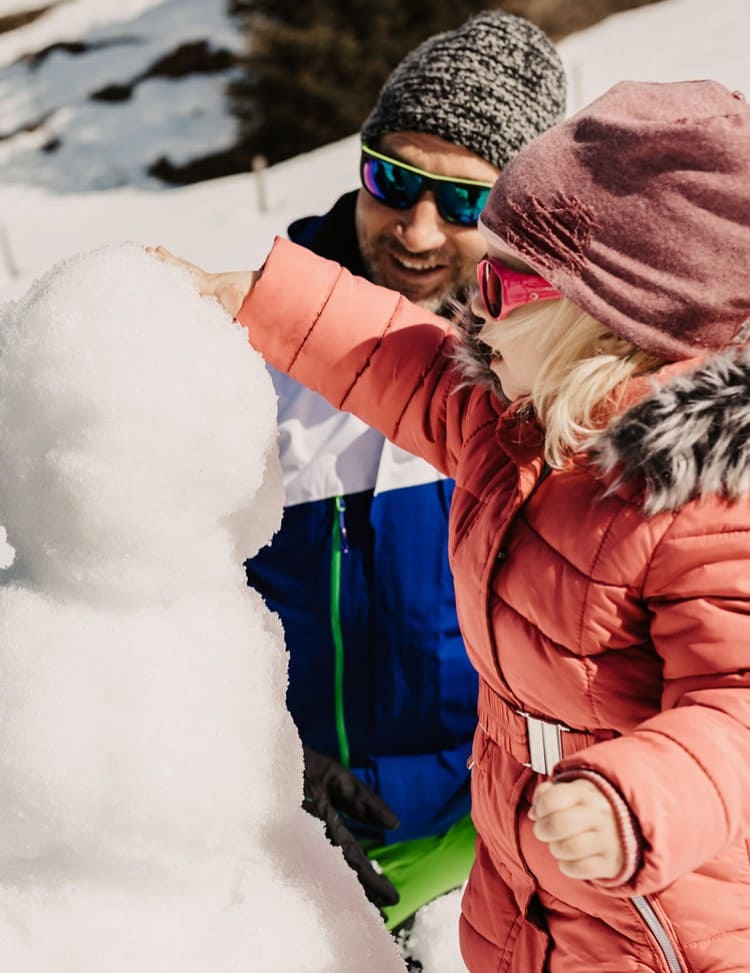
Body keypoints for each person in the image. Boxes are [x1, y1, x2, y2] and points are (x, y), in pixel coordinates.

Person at [156, 78, 750, 970]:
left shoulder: (701, 502)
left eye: (507, 278)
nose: (475, 301)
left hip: (662, 921)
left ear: (608, 318)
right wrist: (249, 292)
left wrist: (639, 799)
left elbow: (738, 707)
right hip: (524, 904)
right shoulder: (515, 423)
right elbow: (397, 361)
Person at [241, 9, 567, 928]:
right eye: (392, 179)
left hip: (494, 853)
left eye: (464, 202)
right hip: (279, 843)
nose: (416, 230)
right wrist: (259, 760)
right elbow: (139, 592)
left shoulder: (557, 382)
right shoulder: (242, 347)